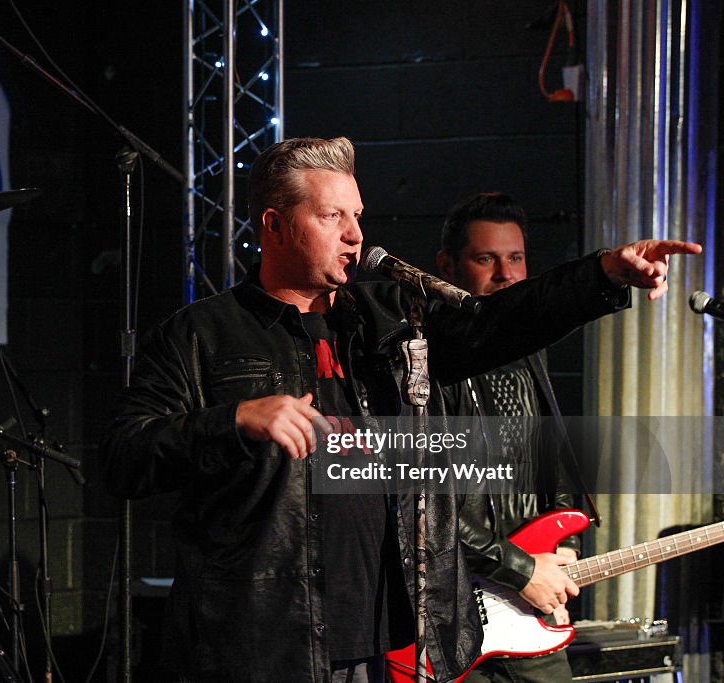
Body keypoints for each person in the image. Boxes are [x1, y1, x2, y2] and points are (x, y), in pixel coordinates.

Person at [100, 136, 699, 683]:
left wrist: (602, 273)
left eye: (356, 215)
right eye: (332, 216)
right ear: (275, 226)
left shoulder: (390, 320)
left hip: (389, 647)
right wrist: (234, 420)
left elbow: (500, 321)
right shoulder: (200, 334)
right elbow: (124, 457)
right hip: (260, 646)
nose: (355, 234)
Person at [437, 192, 581, 681]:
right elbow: (427, 507)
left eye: (516, 258)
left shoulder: (529, 351)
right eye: (486, 259)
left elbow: (551, 462)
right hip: (456, 613)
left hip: (530, 608)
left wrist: (567, 547)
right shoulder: (431, 368)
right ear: (447, 267)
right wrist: (520, 570)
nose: (506, 274)